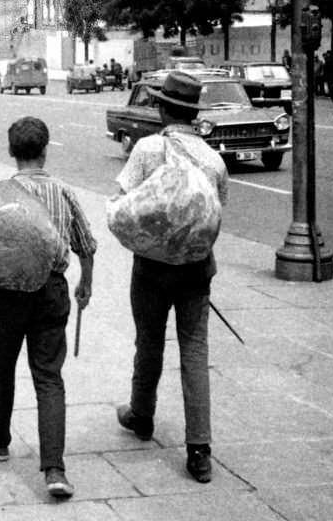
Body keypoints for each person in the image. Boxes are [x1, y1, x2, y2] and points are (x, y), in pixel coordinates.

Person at [0, 116, 96, 499]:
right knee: (49, 378)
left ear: (11, 151)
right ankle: (54, 469)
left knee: (1, 370)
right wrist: (84, 284)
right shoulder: (63, 192)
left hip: (5, 294)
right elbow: (85, 245)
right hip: (51, 291)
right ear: (45, 150)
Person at [111, 71, 229, 484]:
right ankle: (199, 449)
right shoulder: (211, 159)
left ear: (162, 109)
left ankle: (141, 414)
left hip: (150, 267)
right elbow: (217, 215)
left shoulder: (147, 149)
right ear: (192, 113)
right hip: (196, 270)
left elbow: (125, 204)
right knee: (195, 350)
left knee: (149, 340)